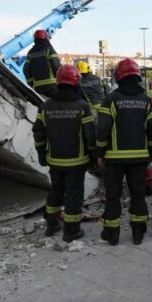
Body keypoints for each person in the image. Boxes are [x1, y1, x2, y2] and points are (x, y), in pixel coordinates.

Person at [32, 64, 95, 242]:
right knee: (74, 195)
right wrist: (93, 157)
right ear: (76, 83)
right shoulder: (82, 106)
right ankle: (72, 231)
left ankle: (52, 225)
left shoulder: (45, 107)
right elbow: (89, 136)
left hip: (55, 161)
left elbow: (39, 133)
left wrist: (41, 154)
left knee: (56, 191)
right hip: (77, 161)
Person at [97, 58, 152, 245]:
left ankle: (112, 234)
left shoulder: (111, 99)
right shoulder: (146, 101)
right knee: (138, 194)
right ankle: (138, 233)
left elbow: (102, 129)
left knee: (113, 195)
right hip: (139, 158)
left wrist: (99, 152)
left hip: (114, 159)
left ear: (118, 77)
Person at [23, 29, 62, 98]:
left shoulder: (30, 52)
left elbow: (26, 69)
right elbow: (56, 65)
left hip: (38, 88)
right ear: (45, 37)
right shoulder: (49, 49)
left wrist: (30, 83)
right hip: (51, 86)